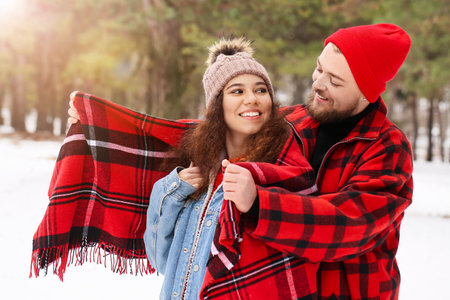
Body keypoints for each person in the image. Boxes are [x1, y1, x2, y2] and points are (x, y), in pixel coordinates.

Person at [67, 23, 413, 299]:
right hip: (280, 285)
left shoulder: (387, 148)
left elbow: (350, 225)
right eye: (318, 69)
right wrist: (98, 123)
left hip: (346, 291)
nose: (317, 84)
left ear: (368, 92)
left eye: (334, 81)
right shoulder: (293, 121)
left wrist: (258, 204)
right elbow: (216, 129)